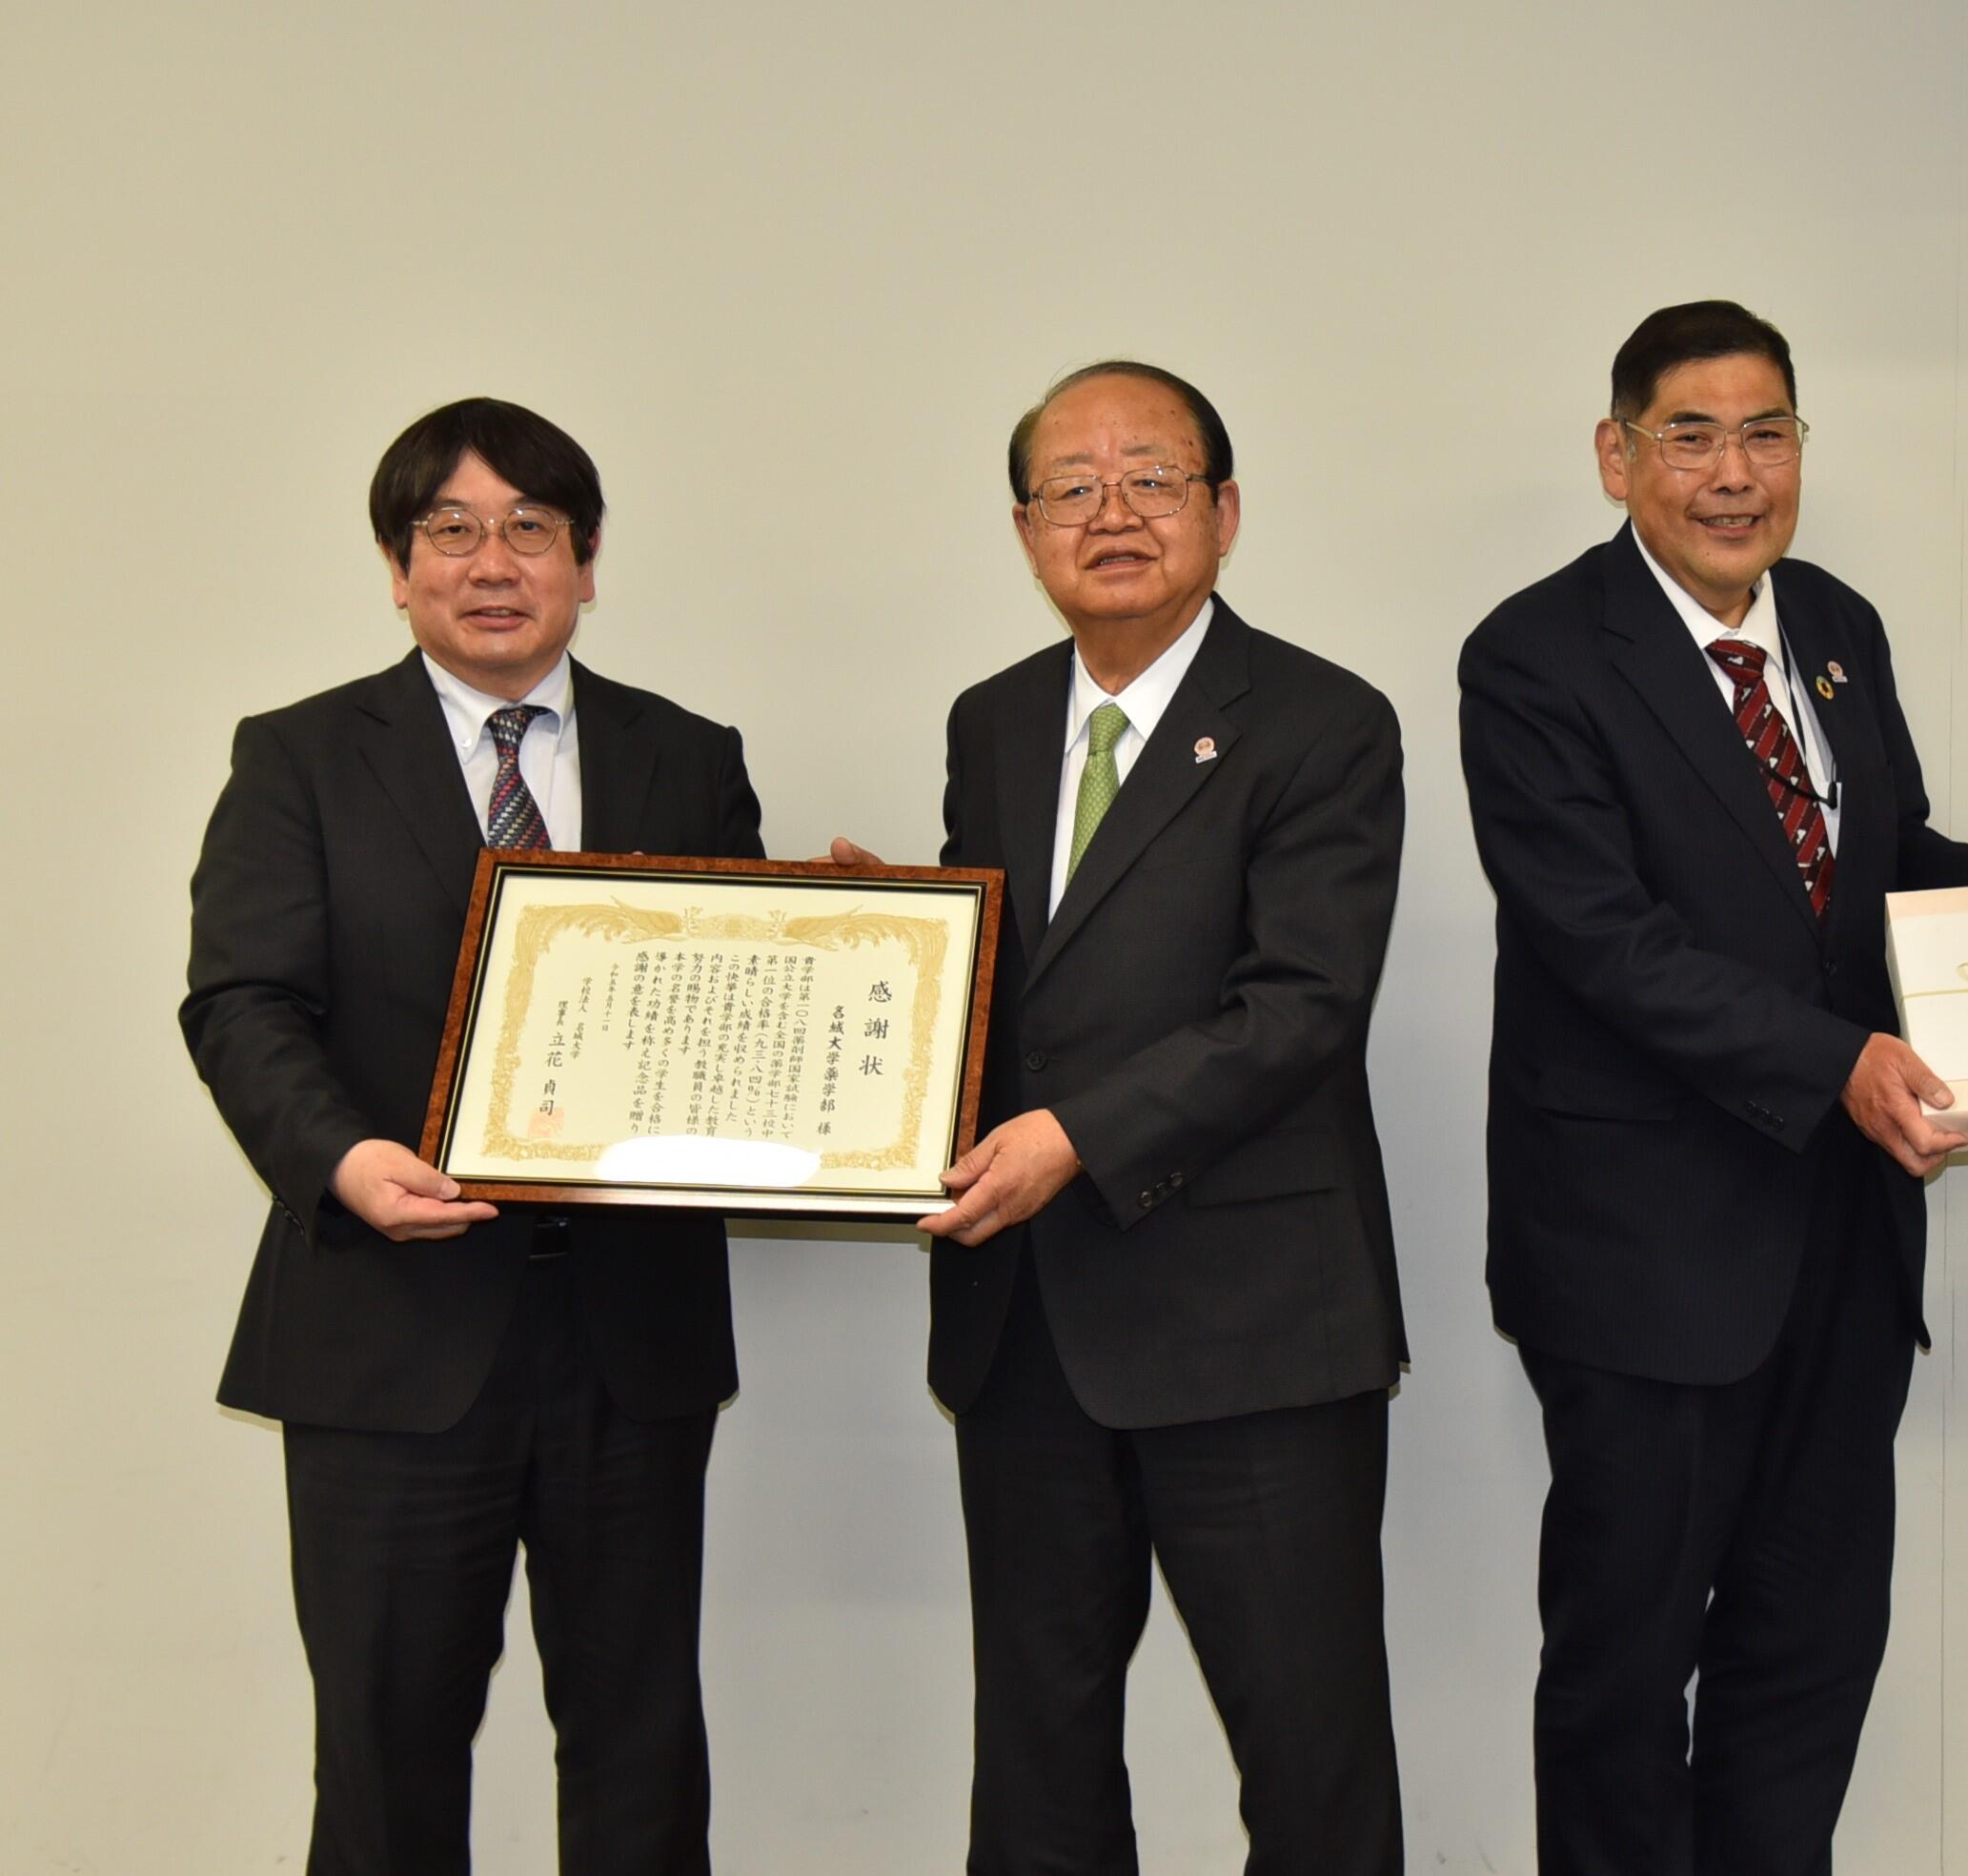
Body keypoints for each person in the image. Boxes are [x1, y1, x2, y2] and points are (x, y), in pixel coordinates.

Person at [1458, 299, 1968, 1875]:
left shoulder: (1836, 626)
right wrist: (1843, 1059)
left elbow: (1871, 865)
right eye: (1691, 435)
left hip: (1844, 1244)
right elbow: (1606, 940)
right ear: (1617, 457)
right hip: (1643, 1259)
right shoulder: (1534, 657)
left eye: (1767, 433)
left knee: (1811, 1651)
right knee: (1623, 1672)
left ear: (1801, 447)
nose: (1734, 473)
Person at [182, 398, 765, 1875]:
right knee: (384, 1758)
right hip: (390, 1329)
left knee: (640, 1748)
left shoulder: (688, 756)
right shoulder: (302, 757)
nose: (490, 561)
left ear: (584, 562)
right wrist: (337, 1161)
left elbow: (733, 999)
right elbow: (244, 1002)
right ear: (398, 567)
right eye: (449, 530)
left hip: (629, 1336)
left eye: (530, 529)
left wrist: (843, 941)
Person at [874, 359, 1409, 1874]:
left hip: (1252, 1330)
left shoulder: (1321, 722)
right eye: (1073, 487)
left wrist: (1073, 1140)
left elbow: (1301, 1005)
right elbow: (1024, 980)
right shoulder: (993, 721)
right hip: (1027, 1326)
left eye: (1152, 478)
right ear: (1027, 528)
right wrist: (891, 964)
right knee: (1038, 1760)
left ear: (1224, 511)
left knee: (1309, 1762)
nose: (1113, 514)